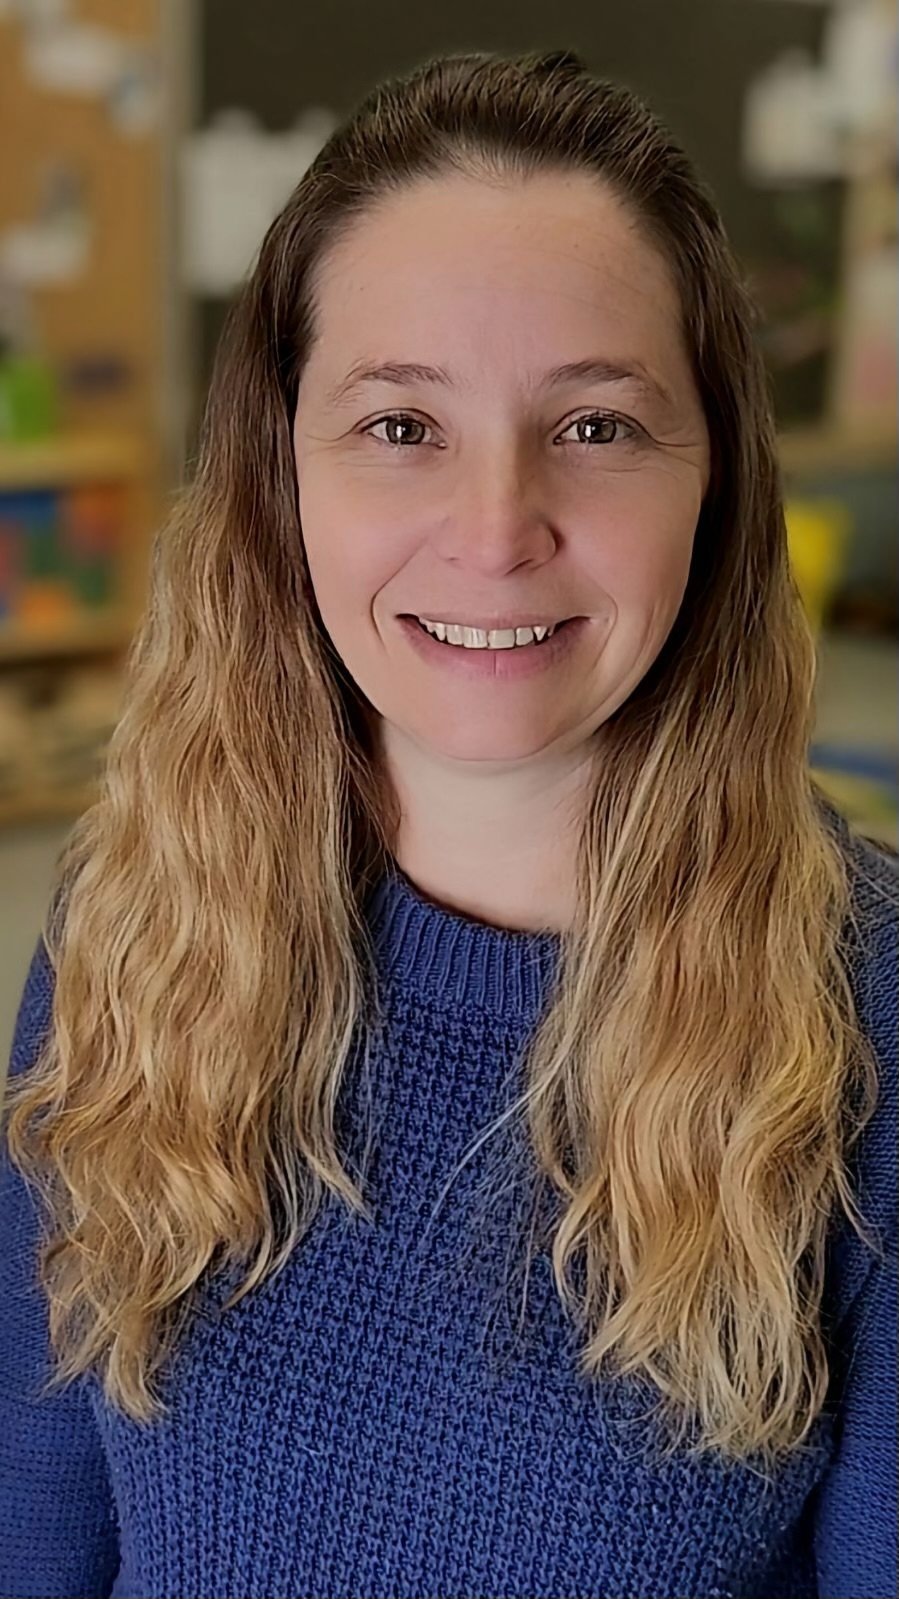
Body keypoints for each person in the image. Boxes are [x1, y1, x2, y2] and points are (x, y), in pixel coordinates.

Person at [1, 46, 896, 1599]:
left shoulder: (868, 1014)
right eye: (402, 425)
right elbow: (37, 1525)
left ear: (720, 487)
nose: (496, 528)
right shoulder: (134, 926)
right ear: (279, 475)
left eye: (599, 425)